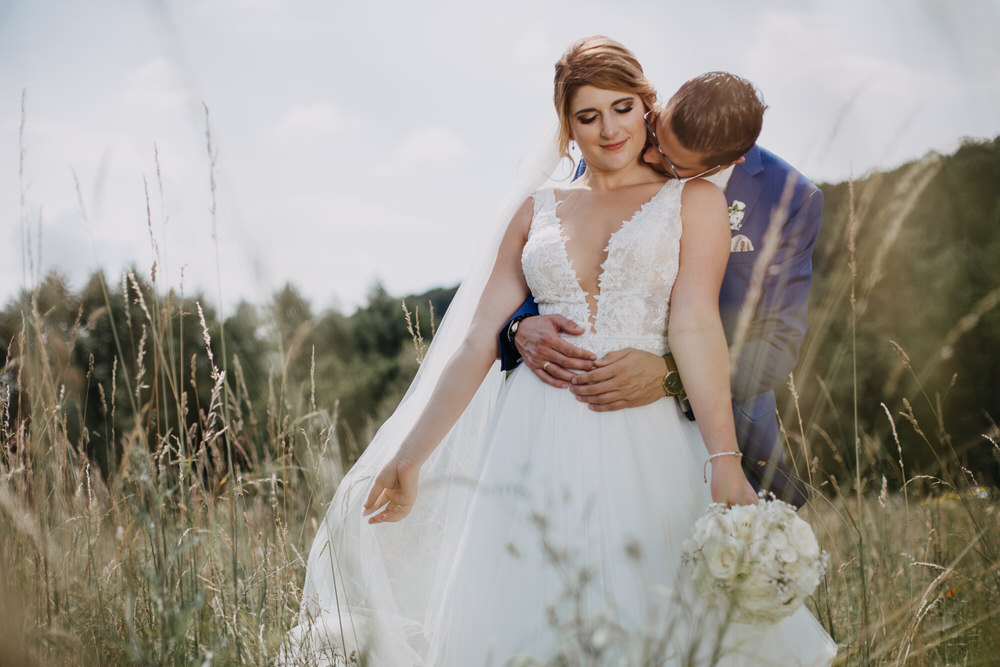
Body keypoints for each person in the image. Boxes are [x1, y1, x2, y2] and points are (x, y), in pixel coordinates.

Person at [285, 37, 836, 665]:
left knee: (662, 616)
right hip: (530, 437)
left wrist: (722, 455)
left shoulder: (700, 200)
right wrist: (412, 456)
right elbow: (475, 339)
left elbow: (699, 326)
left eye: (624, 109)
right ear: (566, 125)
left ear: (645, 106)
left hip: (649, 432)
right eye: (588, 116)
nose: (614, 132)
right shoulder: (536, 209)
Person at [500, 72, 822, 508]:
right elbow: (554, 258)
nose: (648, 153)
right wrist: (519, 326)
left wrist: (671, 376)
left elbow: (777, 344)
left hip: (724, 426)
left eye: (671, 162)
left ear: (729, 163)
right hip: (578, 412)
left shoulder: (791, 198)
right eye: (656, 131)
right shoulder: (622, 145)